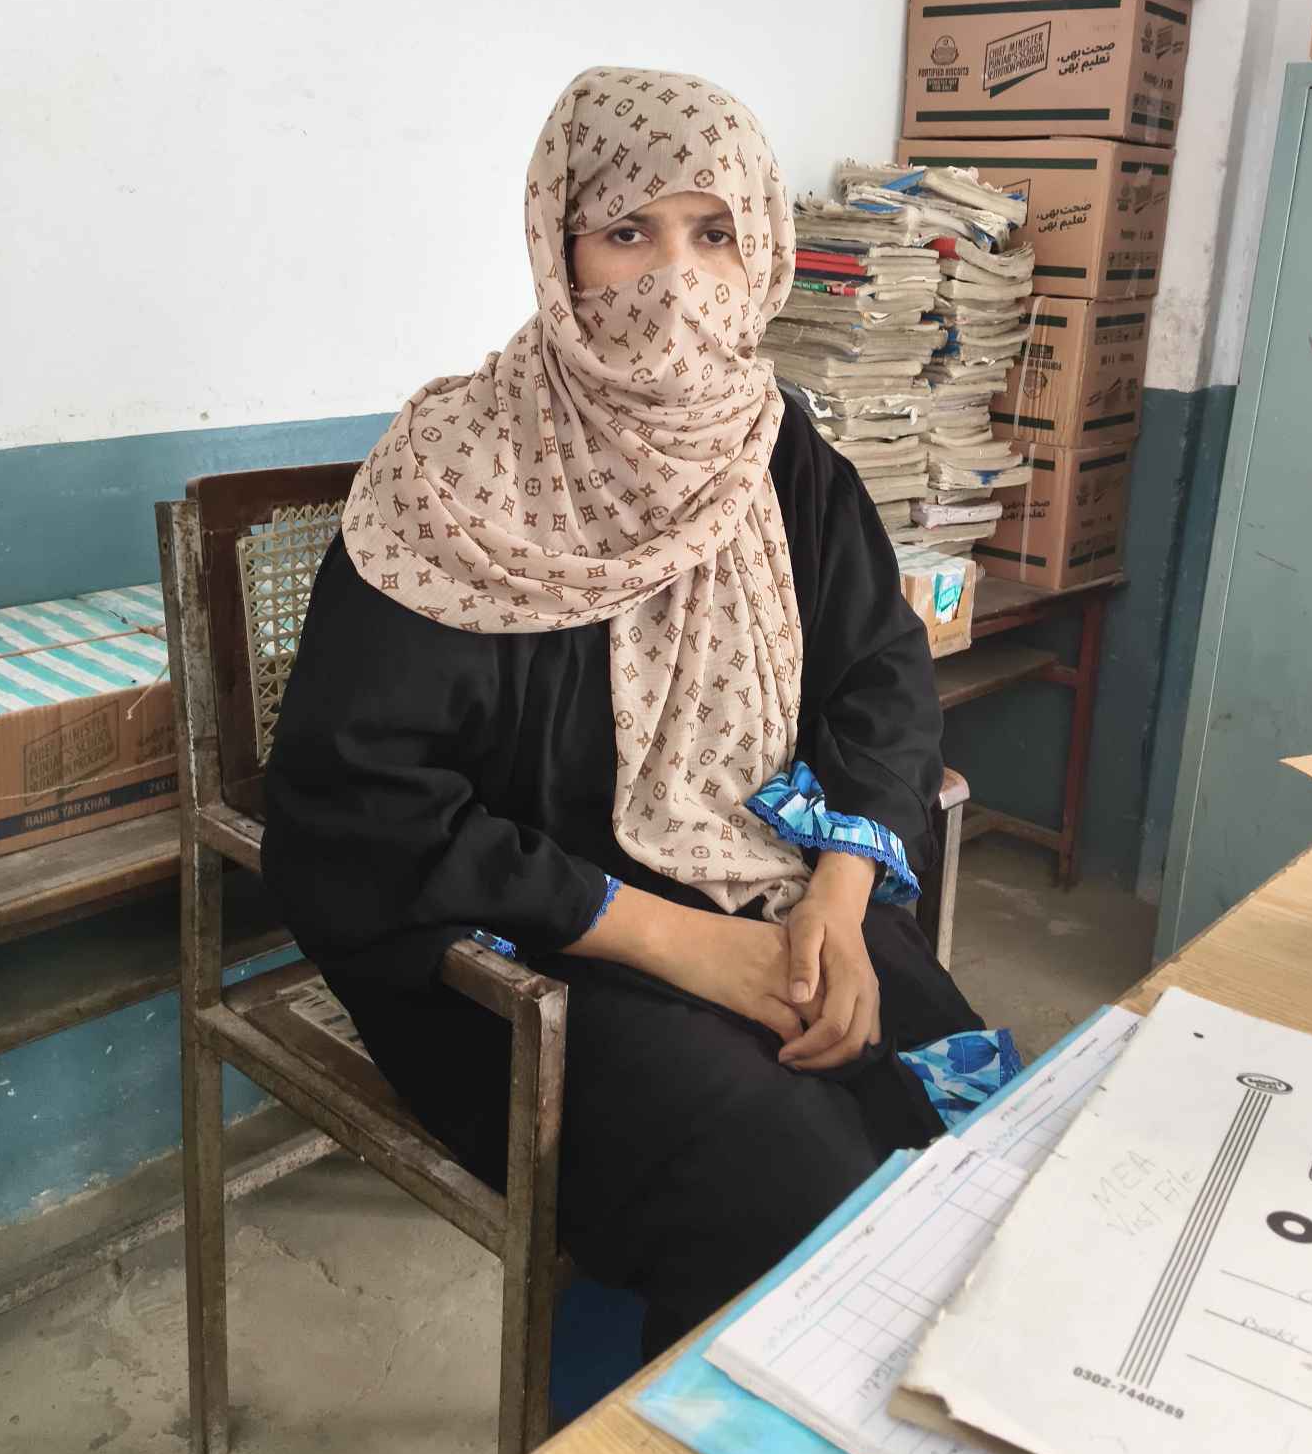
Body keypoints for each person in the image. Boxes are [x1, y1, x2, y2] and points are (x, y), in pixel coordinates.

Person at [261, 66, 985, 1360]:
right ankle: (628, 1430)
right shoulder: (456, 475)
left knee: (959, 1128)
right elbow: (360, 803)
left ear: (763, 251)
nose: (676, 280)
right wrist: (684, 947)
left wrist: (838, 898)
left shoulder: (781, 454)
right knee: (797, 1206)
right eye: (629, 232)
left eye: (714, 234)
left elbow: (879, 674)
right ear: (562, 248)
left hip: (768, 888)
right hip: (535, 953)